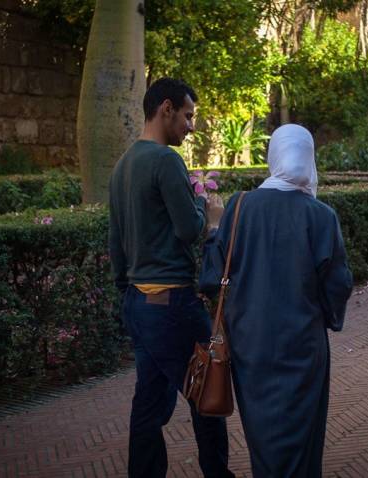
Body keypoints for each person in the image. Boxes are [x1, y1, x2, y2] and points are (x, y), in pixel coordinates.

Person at [200, 124, 354, 477]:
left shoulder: (240, 207)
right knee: (303, 437)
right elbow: (338, 284)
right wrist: (325, 317)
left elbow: (211, 277)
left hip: (250, 346)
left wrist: (213, 230)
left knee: (263, 437)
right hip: (302, 347)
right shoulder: (321, 216)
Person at [108, 77, 233, 478]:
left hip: (138, 304)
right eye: (188, 115)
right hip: (172, 303)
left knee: (149, 403)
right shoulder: (165, 160)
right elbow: (188, 229)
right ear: (166, 109)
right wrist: (207, 210)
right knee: (208, 392)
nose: (191, 126)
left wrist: (128, 297)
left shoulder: (122, 165)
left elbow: (116, 245)